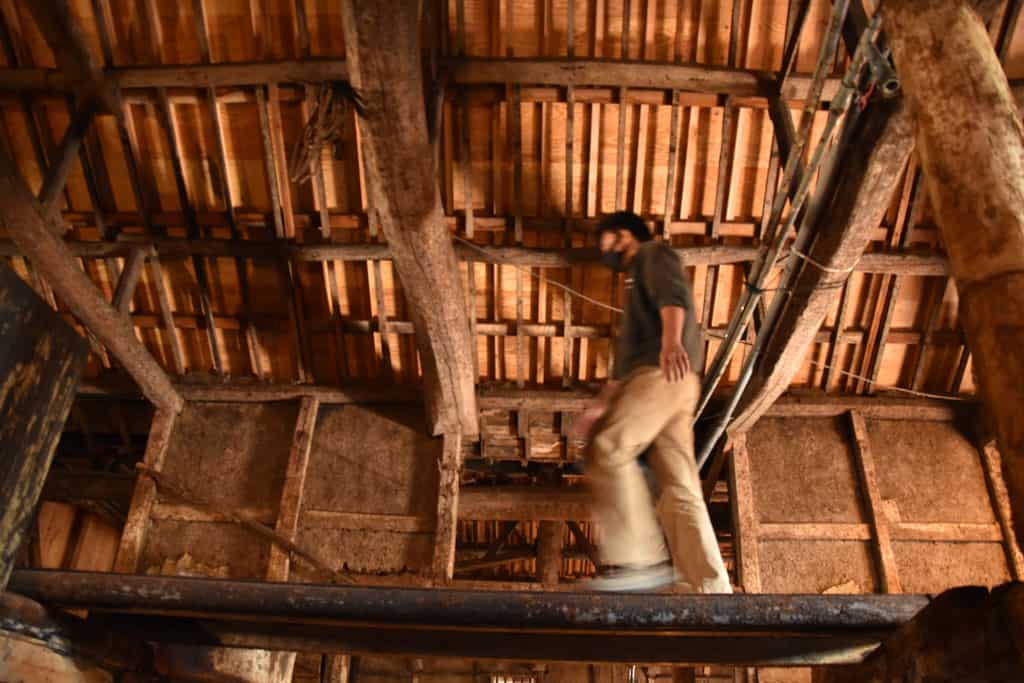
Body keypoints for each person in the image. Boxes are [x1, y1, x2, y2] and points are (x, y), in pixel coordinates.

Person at [572, 211, 732, 593]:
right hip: (674, 385)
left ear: (624, 234)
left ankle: (637, 561)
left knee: (608, 448)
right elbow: (621, 372)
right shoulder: (632, 293)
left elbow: (673, 295)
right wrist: (599, 407)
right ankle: (710, 585)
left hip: (661, 374)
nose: (603, 251)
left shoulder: (651, 254)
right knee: (680, 488)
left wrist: (671, 341)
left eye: (605, 241)